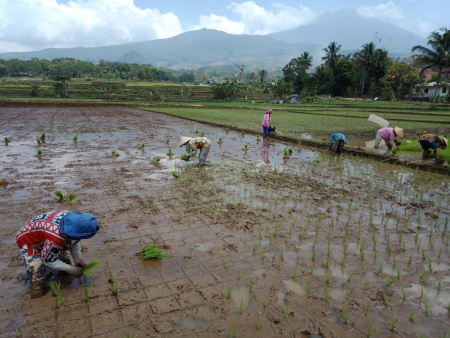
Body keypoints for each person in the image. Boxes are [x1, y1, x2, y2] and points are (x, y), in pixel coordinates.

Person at [16, 210, 99, 298]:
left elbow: (75, 241)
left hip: (46, 237)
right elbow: (48, 260)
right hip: (29, 242)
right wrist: (73, 270)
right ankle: (37, 293)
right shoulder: (55, 238)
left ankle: (63, 279)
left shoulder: (74, 221)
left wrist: (79, 260)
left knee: (65, 263)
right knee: (38, 273)